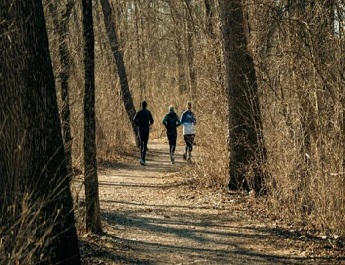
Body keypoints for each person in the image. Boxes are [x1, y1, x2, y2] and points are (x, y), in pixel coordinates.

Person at [133, 100, 154, 165]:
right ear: (146, 105)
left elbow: (134, 120)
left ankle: (141, 158)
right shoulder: (148, 112)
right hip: (146, 130)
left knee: (142, 143)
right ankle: (143, 159)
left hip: (140, 130)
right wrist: (149, 125)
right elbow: (152, 121)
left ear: (141, 105)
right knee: (145, 144)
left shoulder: (139, 112)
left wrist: (138, 124)